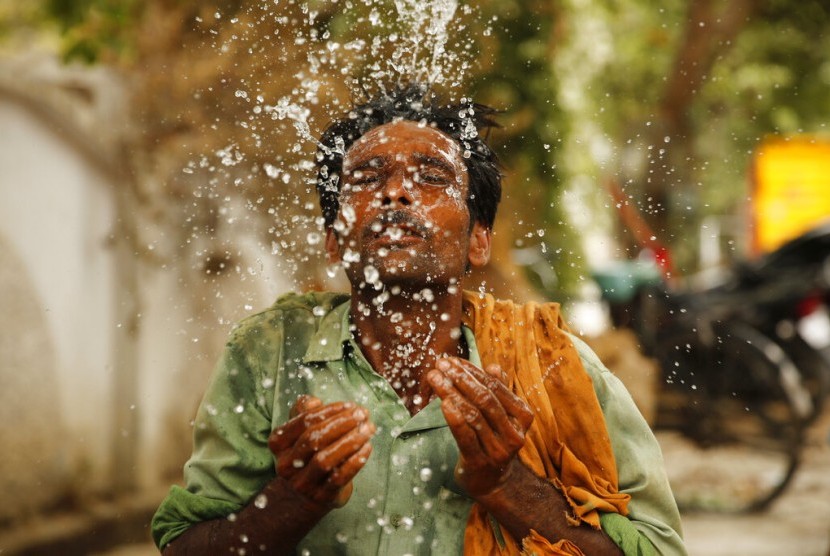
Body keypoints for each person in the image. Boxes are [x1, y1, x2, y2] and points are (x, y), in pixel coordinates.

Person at [151, 85, 686, 555]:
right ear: (336, 239)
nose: (394, 192)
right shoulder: (269, 352)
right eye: (366, 177)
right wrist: (293, 500)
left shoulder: (555, 364)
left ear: (479, 241)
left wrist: (506, 482)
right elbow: (184, 546)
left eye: (431, 176)